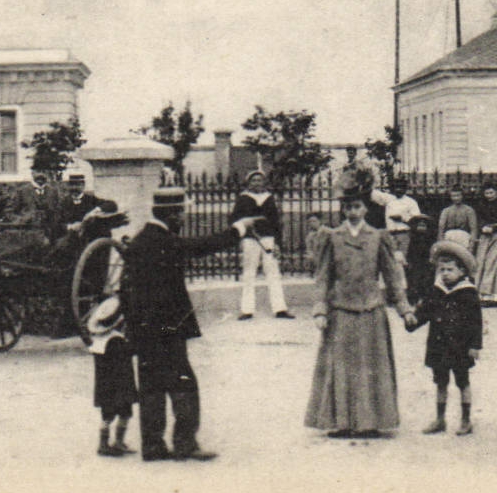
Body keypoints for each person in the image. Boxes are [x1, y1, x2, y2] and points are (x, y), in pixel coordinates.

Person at [121, 186, 256, 462]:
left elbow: (125, 289)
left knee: (151, 386)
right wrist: (239, 229)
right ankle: (185, 444)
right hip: (168, 329)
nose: (183, 217)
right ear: (171, 214)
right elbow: (202, 246)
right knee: (184, 383)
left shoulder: (139, 241)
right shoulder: (164, 241)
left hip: (144, 330)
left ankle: (153, 446)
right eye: (181, 212)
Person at [305, 185, 407, 438]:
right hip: (340, 309)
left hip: (371, 309)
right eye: (348, 206)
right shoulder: (332, 237)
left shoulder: (378, 237)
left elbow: (392, 276)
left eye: (357, 206)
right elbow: (323, 277)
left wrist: (404, 308)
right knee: (340, 366)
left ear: (365, 209)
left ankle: (369, 423)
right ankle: (341, 423)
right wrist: (320, 309)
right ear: (343, 209)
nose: (353, 211)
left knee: (371, 366)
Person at [403, 239, 483, 436]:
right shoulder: (436, 291)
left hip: (460, 347)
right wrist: (413, 320)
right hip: (438, 346)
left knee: (462, 381)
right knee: (440, 382)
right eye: (442, 270)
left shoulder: (468, 294)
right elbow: (425, 311)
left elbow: (475, 322)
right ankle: (440, 419)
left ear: (462, 272)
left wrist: (475, 345)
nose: (445, 274)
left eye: (450, 269)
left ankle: (466, 420)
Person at [230, 169, 293, 320]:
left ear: (264, 182)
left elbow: (276, 222)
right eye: (254, 180)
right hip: (250, 239)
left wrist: (277, 242)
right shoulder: (243, 198)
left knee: (273, 273)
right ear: (248, 183)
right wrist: (243, 233)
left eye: (260, 180)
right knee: (249, 273)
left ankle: (280, 309)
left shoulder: (269, 198)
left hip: (268, 238)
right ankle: (247, 310)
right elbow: (234, 220)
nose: (257, 183)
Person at [85, 296, 138, 456]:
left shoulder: (98, 342)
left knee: (107, 414)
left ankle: (104, 443)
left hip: (105, 386)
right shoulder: (117, 341)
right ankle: (118, 442)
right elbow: (127, 355)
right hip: (121, 384)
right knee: (124, 412)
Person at [369, 173, 421, 263]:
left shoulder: (411, 202)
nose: (398, 189)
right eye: (396, 187)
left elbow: (417, 220)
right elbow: (373, 194)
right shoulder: (389, 199)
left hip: (403, 234)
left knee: (401, 260)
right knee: (389, 260)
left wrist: (402, 219)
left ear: (405, 189)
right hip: (390, 234)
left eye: (401, 187)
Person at [437, 184, 479, 250]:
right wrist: (440, 243)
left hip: (464, 237)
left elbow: (473, 229)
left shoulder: (469, 210)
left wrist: (471, 245)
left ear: (462, 196)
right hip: (449, 237)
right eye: (453, 196)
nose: (456, 198)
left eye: (458, 195)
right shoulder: (446, 211)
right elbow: (441, 228)